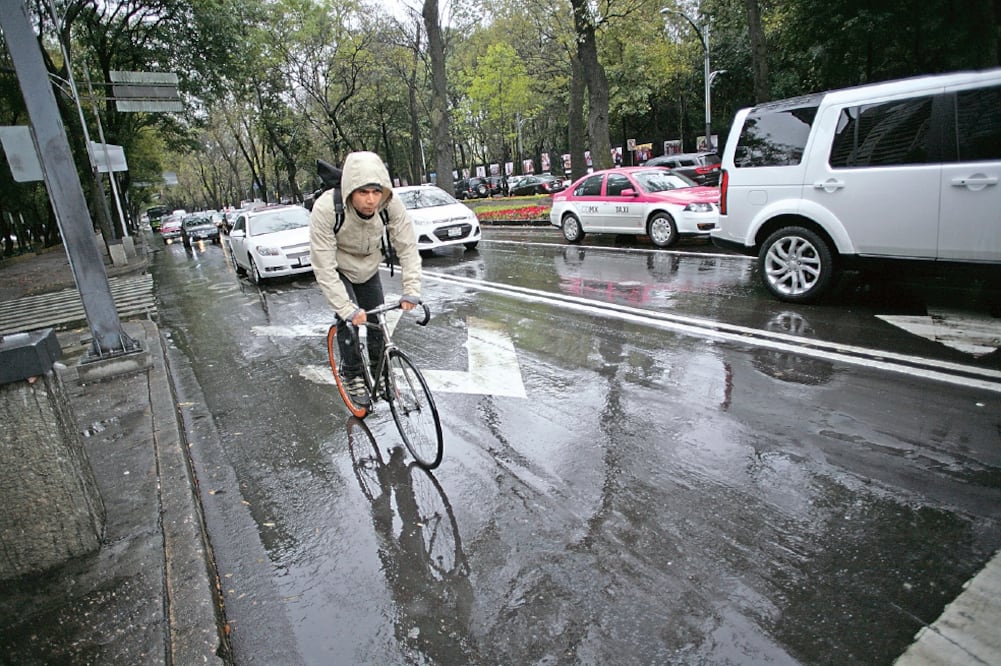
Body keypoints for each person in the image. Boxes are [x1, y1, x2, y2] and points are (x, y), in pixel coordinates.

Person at [309, 151, 422, 406]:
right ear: (350, 190)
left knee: (377, 321)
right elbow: (324, 267)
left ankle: (381, 374)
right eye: (362, 192)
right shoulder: (327, 208)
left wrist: (411, 289)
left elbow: (407, 246)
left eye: (375, 192)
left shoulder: (390, 204)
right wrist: (347, 309)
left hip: (369, 265)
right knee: (348, 321)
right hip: (338, 266)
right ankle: (353, 374)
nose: (371, 200)